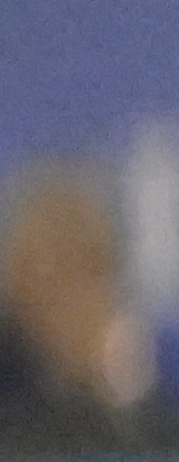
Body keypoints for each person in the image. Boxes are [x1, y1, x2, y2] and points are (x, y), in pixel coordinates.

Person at [0, 160, 157, 441]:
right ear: (13, 269)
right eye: (52, 263)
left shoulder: (129, 387)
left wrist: (113, 393)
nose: (70, 292)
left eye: (89, 264)